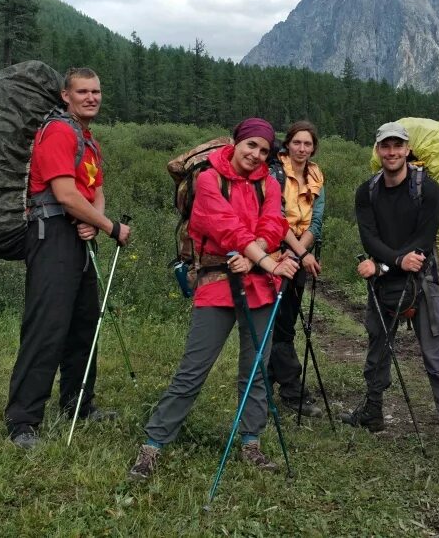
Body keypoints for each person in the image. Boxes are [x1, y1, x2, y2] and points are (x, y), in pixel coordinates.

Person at [128, 118, 299, 481]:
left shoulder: (269, 184)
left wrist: (253, 257)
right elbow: (223, 226)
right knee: (193, 369)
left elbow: (274, 225)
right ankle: (153, 443)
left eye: (264, 150)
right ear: (236, 142)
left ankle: (251, 441)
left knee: (255, 372)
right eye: (251, 145)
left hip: (258, 284)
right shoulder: (208, 179)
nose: (255, 154)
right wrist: (266, 259)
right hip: (217, 280)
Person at [5, 67, 132, 450]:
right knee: (47, 328)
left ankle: (79, 403)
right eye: (82, 91)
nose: (91, 97)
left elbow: (95, 192)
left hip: (78, 236)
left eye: (96, 91)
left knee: (83, 324)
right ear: (66, 95)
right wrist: (110, 228)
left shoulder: (87, 140)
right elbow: (64, 194)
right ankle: (23, 421)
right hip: (52, 236)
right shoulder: (59, 131)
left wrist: (93, 222)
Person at [342, 122, 439, 457]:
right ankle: (373, 410)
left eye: (398, 146)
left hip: (423, 278)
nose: (392, 152)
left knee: (436, 352)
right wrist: (394, 263)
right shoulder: (366, 191)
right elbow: (368, 237)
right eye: (385, 146)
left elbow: (425, 238)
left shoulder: (427, 189)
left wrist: (399, 262)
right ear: (377, 150)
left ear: (408, 149)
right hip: (386, 275)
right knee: (377, 346)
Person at [267, 121, 326, 417]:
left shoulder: (316, 175)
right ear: (287, 144)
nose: (302, 148)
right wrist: (300, 253)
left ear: (313, 147)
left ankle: (265, 384)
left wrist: (300, 253)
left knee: (284, 322)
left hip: (298, 255)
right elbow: (274, 217)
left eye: (307, 144)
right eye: (297, 143)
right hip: (272, 257)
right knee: (280, 324)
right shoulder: (274, 172)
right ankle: (291, 389)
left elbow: (316, 221)